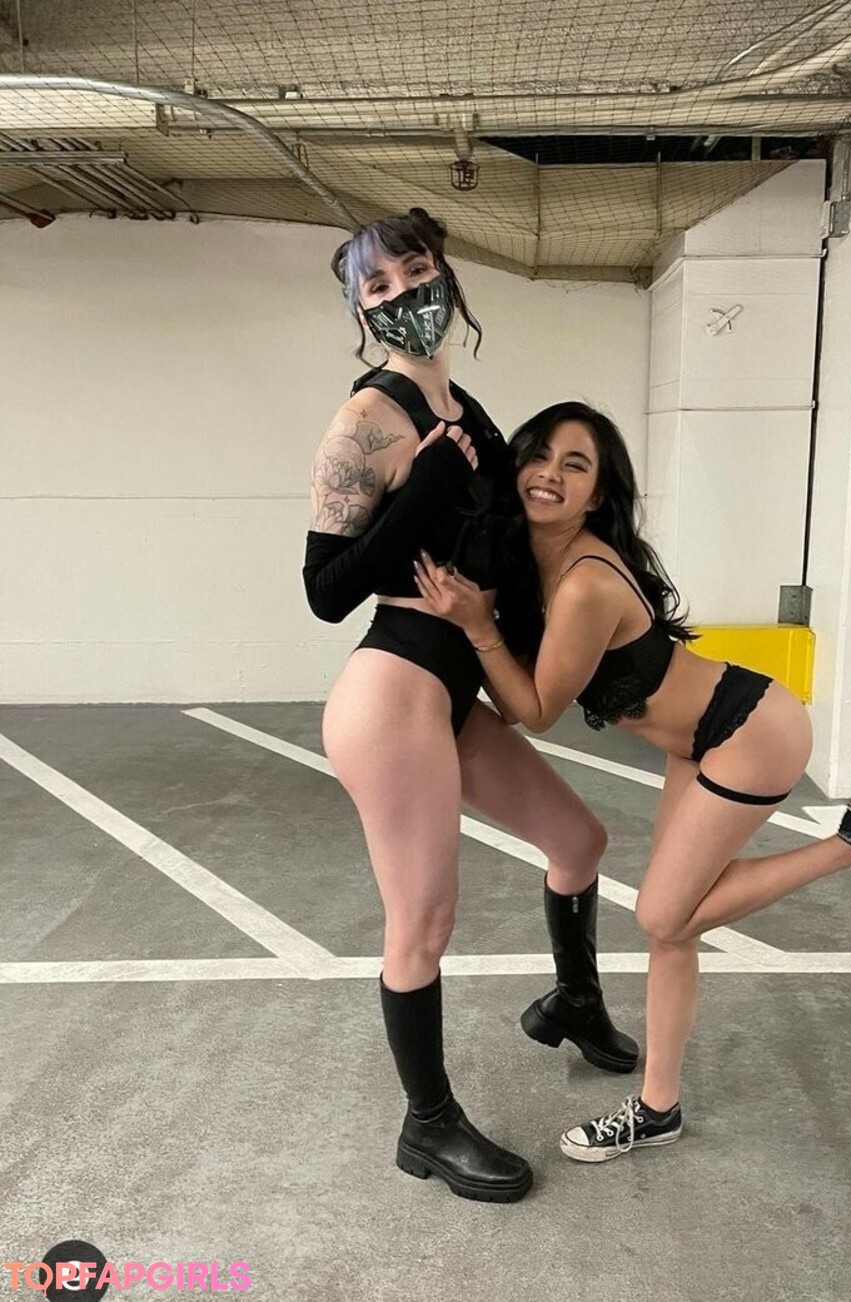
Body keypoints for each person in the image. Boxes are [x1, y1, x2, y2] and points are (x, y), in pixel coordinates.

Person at [413, 400, 851, 1164]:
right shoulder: (539, 564)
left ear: (597, 494)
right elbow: (517, 694)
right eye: (540, 455)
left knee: (662, 917)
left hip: (750, 732)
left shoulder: (584, 582)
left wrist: (476, 627)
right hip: (701, 739)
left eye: (576, 464)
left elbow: (534, 711)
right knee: (679, 929)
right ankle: (658, 1108)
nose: (550, 474)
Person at [303, 217, 637, 1203]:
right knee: (423, 922)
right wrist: (427, 488)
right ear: (361, 309)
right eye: (379, 284)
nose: (404, 291)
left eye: (417, 269)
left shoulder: (468, 409)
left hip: (452, 690)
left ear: (446, 276)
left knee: (579, 840)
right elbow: (326, 589)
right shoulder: (366, 420)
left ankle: (575, 1001)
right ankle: (428, 1124)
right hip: (393, 689)